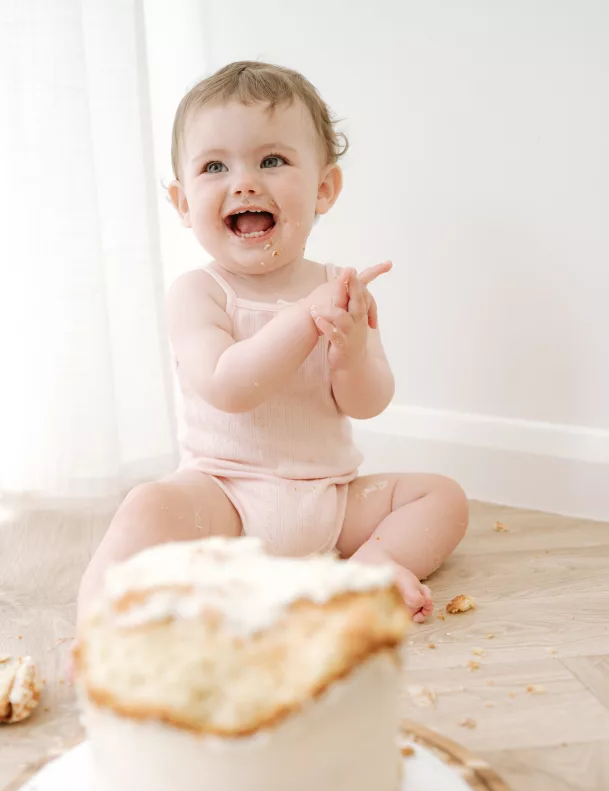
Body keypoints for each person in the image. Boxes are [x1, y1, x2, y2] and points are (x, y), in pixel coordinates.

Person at [77, 61, 468, 625]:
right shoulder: (198, 293)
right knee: (149, 505)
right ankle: (98, 629)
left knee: (442, 497)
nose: (244, 182)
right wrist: (306, 317)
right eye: (214, 166)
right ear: (183, 202)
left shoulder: (338, 289)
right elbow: (229, 386)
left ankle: (372, 564)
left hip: (331, 501)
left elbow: (368, 402)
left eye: (272, 161)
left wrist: (352, 353)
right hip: (225, 503)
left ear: (324, 189)